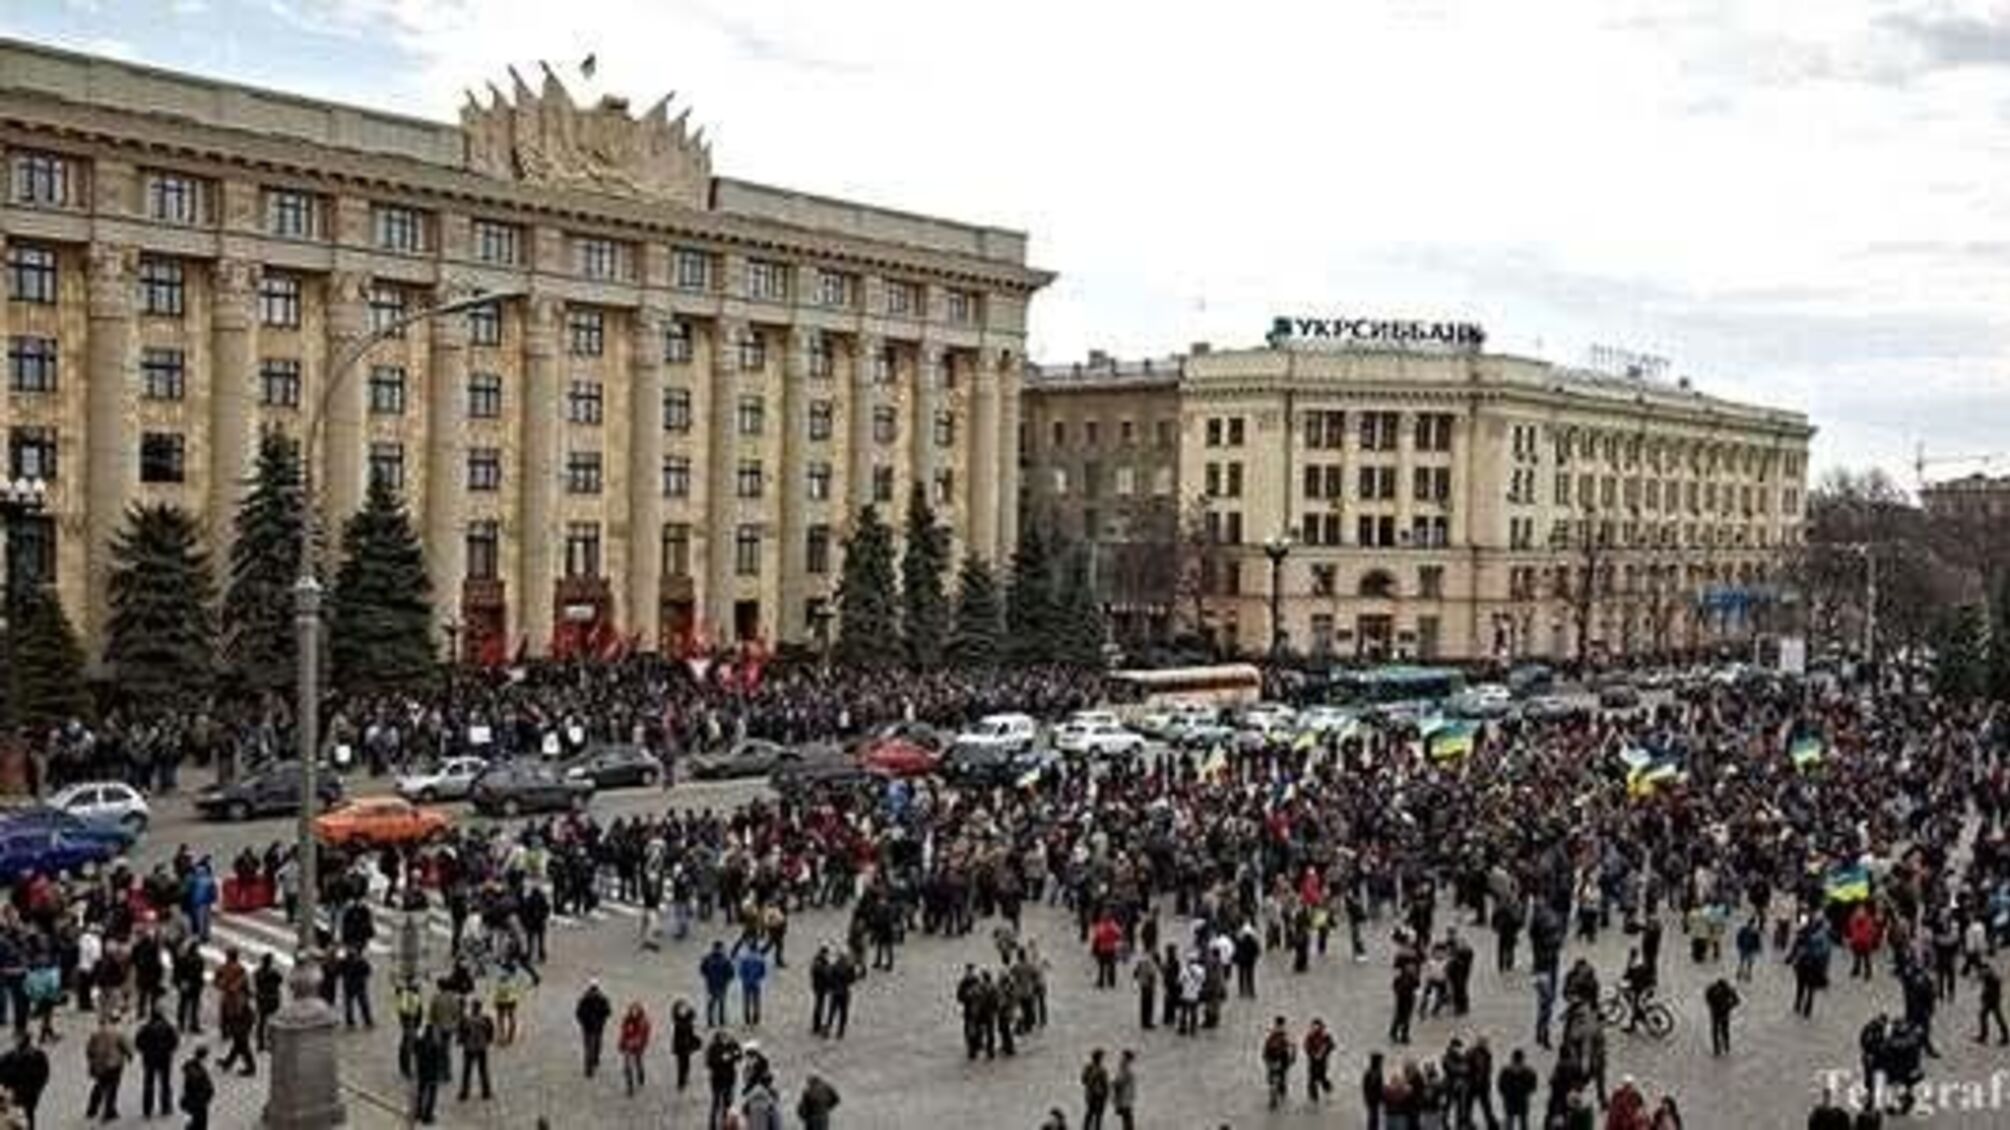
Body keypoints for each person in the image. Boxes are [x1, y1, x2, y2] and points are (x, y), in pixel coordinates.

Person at [83, 1013, 132, 1122]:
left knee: (100, 1086)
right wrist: (129, 1055)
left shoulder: (95, 1033)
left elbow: (89, 1050)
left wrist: (91, 1061)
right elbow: (125, 1046)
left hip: (100, 1064)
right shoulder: (118, 1033)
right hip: (114, 1064)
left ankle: (92, 1109)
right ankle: (109, 1110)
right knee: (112, 1088)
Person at [135, 1007, 178, 1119]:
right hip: (164, 1060)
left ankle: (147, 1109)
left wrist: (145, 1051)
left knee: (148, 1084)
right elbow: (174, 1042)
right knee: (165, 1084)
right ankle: (166, 1107)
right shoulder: (168, 1027)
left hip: (149, 1060)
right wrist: (167, 1050)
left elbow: (138, 1043)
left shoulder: (145, 1028)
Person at [0, 1031, 47, 1130]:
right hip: (15, 1097)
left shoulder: (37, 1057)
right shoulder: (9, 1057)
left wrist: (36, 1091)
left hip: (26, 1097)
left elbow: (42, 1077)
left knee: (27, 1118)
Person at [457, 998, 494, 1101]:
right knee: (483, 1070)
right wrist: (487, 1041)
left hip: (469, 1047)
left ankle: (464, 1092)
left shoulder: (466, 1020)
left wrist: (461, 1041)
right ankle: (486, 1091)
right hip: (482, 1047)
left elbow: (461, 1034)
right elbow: (490, 1032)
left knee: (467, 1071)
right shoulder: (485, 1019)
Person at [412, 1022, 448, 1125]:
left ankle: (418, 1112)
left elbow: (414, 1051)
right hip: (432, 1074)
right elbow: (440, 1059)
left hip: (422, 1072)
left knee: (421, 1092)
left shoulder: (420, 1042)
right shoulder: (436, 1045)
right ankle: (427, 1116)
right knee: (432, 1095)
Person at [706, 1030, 742, 1130]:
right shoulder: (713, 1047)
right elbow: (709, 1063)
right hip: (717, 1080)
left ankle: (726, 1125)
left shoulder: (733, 1044)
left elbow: (739, 1055)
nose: (726, 1039)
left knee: (728, 1103)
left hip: (730, 1079)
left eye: (727, 1037)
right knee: (716, 1104)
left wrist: (732, 1056)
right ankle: (712, 1126)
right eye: (724, 1037)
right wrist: (722, 1059)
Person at [576, 980, 612, 1078]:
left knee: (590, 1047)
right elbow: (608, 1012)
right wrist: (602, 1021)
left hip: (590, 1027)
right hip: (595, 1027)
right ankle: (592, 1064)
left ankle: (590, 1067)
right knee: (594, 1045)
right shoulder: (601, 998)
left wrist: (583, 1022)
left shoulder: (585, 998)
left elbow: (579, 1013)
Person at [1499, 1047, 1538, 1130]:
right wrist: (1526, 1091)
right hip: (1520, 1100)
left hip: (1511, 1100)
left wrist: (1506, 1093)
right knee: (1521, 1121)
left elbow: (1501, 1086)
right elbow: (1533, 1087)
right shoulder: (1528, 1072)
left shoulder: (1506, 1071)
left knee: (1512, 1121)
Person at [619, 1001, 651, 1096]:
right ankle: (630, 1088)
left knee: (638, 1063)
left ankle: (641, 1077)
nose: (634, 1012)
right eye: (633, 1010)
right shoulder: (626, 1020)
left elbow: (644, 1036)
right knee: (627, 1067)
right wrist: (622, 1044)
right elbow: (623, 1034)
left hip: (638, 1048)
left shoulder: (644, 1022)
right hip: (627, 1047)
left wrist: (639, 1043)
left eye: (636, 1010)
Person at [1262, 1017, 1294, 1110]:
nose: (1279, 1027)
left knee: (1278, 1078)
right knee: (1275, 1079)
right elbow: (1267, 1048)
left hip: (1279, 1059)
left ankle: (1277, 1094)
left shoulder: (1280, 1036)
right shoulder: (1275, 1036)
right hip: (1275, 1059)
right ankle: (1275, 1096)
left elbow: (1291, 1046)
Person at [178, 1045, 214, 1130]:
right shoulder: (196, 1071)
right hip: (197, 1101)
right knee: (200, 1123)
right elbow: (199, 1085)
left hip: (196, 1100)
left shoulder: (193, 1066)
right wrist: (207, 1093)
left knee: (198, 1122)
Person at [701, 942, 734, 1028]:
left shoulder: (708, 958)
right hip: (720, 985)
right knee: (719, 1003)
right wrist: (727, 980)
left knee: (714, 1003)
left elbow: (703, 970)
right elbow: (730, 973)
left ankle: (712, 1021)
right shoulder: (725, 960)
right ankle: (719, 1020)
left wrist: (708, 977)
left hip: (712, 984)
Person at [1705, 976, 1741, 1056]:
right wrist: (1712, 1006)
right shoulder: (1711, 989)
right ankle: (1717, 1048)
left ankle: (1726, 1045)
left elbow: (1737, 1001)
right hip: (1716, 1013)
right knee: (1716, 1031)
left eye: (1721, 989)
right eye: (1718, 989)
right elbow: (1707, 997)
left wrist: (1729, 1006)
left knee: (1724, 1030)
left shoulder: (1728, 990)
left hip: (1724, 1013)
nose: (1719, 990)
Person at [736, 941, 769, 1026]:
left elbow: (741, 971)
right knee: (756, 1001)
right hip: (756, 982)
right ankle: (756, 1017)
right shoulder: (760, 958)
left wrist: (744, 978)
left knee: (746, 1001)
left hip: (746, 982)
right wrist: (759, 978)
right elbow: (763, 971)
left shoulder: (745, 958)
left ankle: (747, 1017)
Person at [671, 998, 702, 1090]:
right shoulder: (678, 1020)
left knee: (687, 1063)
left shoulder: (688, 1019)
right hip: (680, 1045)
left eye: (684, 1009)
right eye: (681, 1009)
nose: (683, 1011)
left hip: (687, 1044)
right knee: (681, 1064)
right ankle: (681, 1082)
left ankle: (685, 1077)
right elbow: (681, 1024)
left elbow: (691, 1030)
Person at [1304, 1018, 1335, 1102]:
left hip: (1322, 1062)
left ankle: (1328, 1090)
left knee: (1322, 1077)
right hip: (1313, 1062)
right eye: (1314, 1026)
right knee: (1312, 1079)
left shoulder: (1326, 1036)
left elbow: (1332, 1046)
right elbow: (1306, 1047)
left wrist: (1324, 1052)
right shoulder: (1310, 1037)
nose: (1315, 1028)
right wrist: (1313, 1054)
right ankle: (1314, 1098)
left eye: (1317, 1026)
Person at [1081, 1047, 1111, 1130]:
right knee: (1091, 1114)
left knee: (1097, 1116)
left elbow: (1105, 1084)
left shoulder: (1102, 1070)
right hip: (1093, 1095)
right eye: (1100, 1057)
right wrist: (1093, 1076)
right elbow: (1083, 1080)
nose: (1100, 1060)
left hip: (1099, 1096)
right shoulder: (1089, 1068)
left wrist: (1106, 1095)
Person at [1977, 963, 2007, 1045]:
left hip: (1992, 1001)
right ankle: (1985, 1035)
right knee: (1991, 1017)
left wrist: (1986, 998)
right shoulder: (1988, 977)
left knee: (1995, 1017)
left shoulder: (1993, 979)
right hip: (1991, 1000)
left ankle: (2004, 1036)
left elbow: (1992, 991)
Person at [1112, 1049, 1138, 1130]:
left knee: (1126, 1116)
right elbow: (1120, 1082)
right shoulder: (1125, 1069)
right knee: (1127, 1116)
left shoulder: (1125, 1069)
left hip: (1125, 1097)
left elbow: (1120, 1082)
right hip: (1125, 1097)